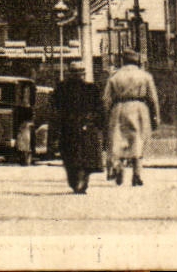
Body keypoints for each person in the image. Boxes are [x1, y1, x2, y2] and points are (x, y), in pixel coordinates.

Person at [103, 50, 160, 187]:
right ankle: (137, 174)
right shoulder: (145, 76)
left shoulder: (115, 77)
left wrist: (106, 115)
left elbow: (106, 99)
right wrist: (156, 116)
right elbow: (153, 98)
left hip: (119, 108)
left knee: (119, 140)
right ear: (137, 61)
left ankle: (118, 167)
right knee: (138, 140)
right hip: (139, 108)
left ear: (123, 61)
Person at [52, 61, 105, 193]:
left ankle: (78, 182)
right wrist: (99, 124)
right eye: (76, 72)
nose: (78, 75)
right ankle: (80, 182)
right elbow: (100, 109)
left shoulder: (62, 88)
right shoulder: (91, 88)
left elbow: (55, 109)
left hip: (72, 126)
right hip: (82, 126)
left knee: (73, 157)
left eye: (79, 72)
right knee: (81, 158)